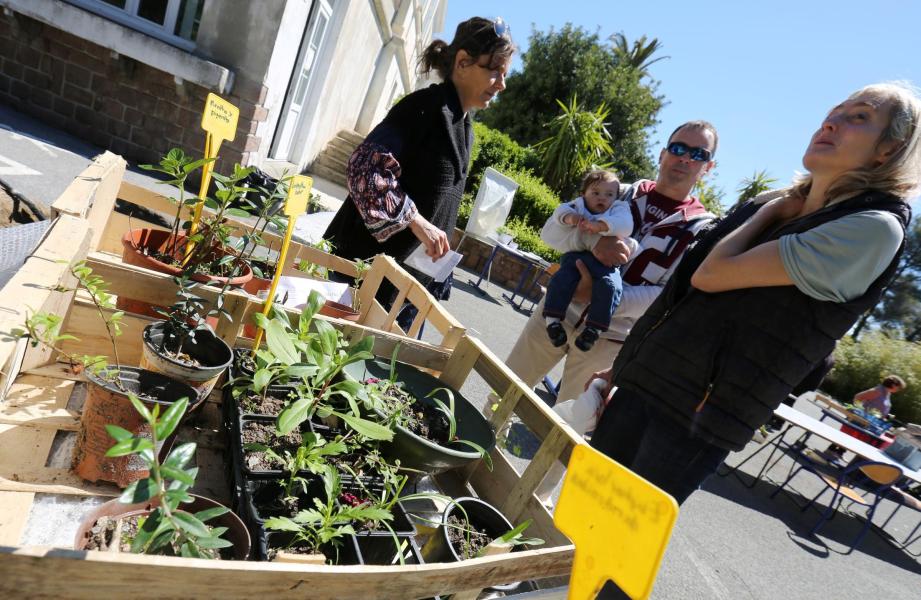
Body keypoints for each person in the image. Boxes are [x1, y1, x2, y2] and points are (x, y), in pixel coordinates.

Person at [587, 82, 919, 510]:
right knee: (578, 516)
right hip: (648, 379)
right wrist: (624, 365)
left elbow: (712, 275)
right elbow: (682, 293)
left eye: (859, 117)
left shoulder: (872, 227)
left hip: (697, 415)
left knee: (616, 546)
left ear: (888, 150)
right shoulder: (777, 200)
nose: (831, 122)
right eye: (834, 111)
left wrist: (770, 213)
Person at [501, 120, 719, 410]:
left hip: (609, 338)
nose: (685, 158)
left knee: (564, 432)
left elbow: (668, 296)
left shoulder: (701, 229)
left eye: (699, 154)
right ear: (662, 153)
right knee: (502, 391)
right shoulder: (616, 192)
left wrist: (598, 296)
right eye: (678, 148)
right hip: (558, 309)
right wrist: (594, 242)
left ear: (709, 167)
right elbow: (550, 234)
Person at [323, 17, 514, 326]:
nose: (502, 84)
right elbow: (365, 169)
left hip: (402, 291)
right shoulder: (423, 108)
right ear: (463, 63)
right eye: (495, 71)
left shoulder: (462, 125)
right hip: (362, 279)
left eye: (504, 74)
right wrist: (416, 221)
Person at [543, 169, 638, 351]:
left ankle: (594, 329)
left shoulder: (618, 208)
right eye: (595, 193)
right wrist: (570, 218)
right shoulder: (578, 205)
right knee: (561, 279)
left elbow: (626, 225)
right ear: (583, 194)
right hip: (576, 257)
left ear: (616, 197)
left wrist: (601, 226)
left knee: (611, 287)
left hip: (606, 265)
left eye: (609, 194)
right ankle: (552, 321)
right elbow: (559, 211)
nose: (602, 198)